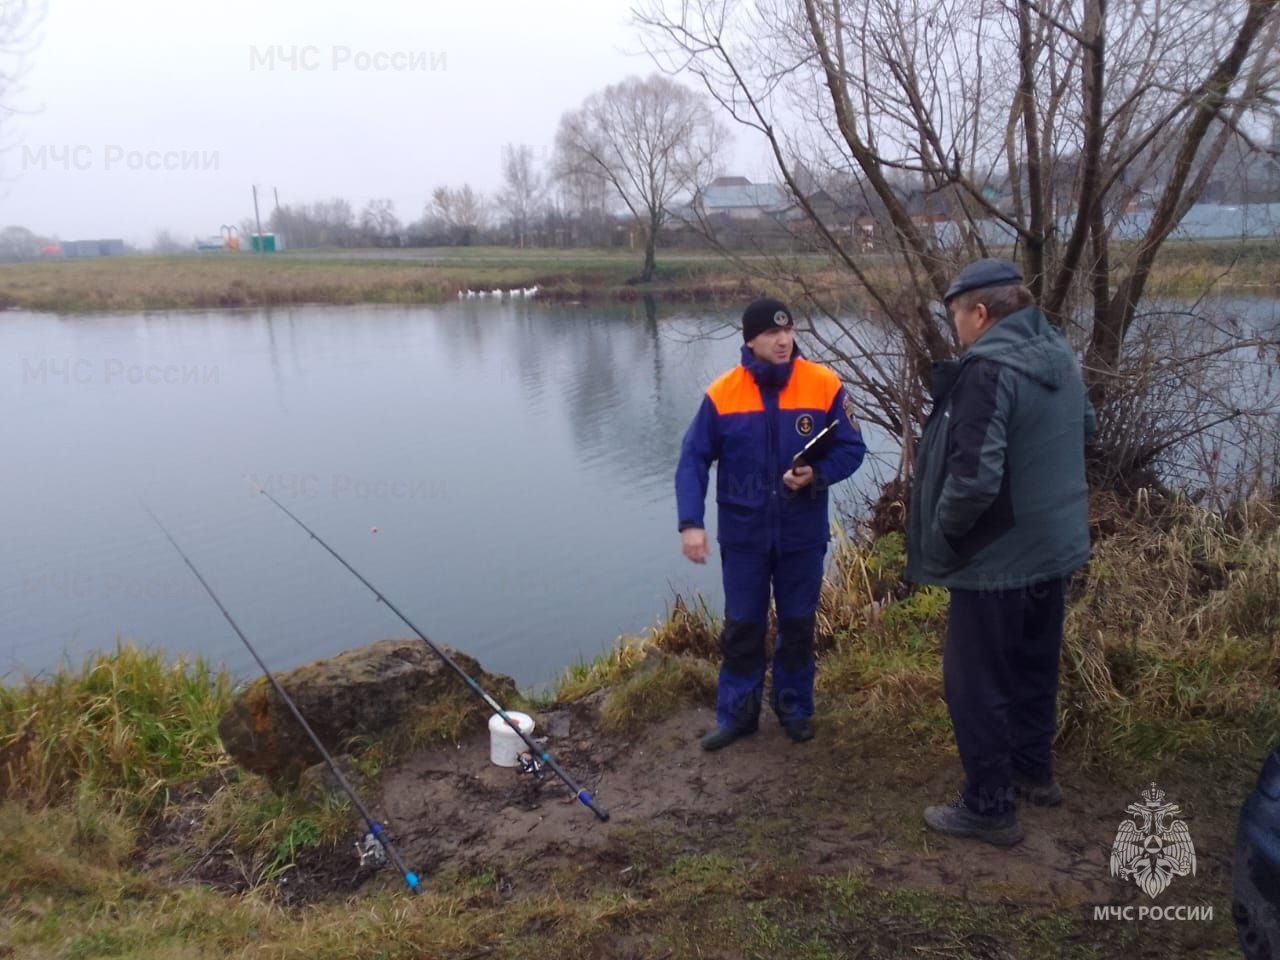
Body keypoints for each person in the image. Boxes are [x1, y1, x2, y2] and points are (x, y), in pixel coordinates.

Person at [906, 258, 1095, 846]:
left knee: (976, 681)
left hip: (995, 557)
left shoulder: (987, 370)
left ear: (980, 313)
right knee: (1034, 663)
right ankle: (1033, 774)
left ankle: (989, 806)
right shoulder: (1057, 353)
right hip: (1051, 548)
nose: (954, 328)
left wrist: (944, 533)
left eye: (956, 315)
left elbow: (974, 480)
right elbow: (1086, 430)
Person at [675, 297, 866, 751]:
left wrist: (817, 475)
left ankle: (794, 708)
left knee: (798, 625)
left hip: (803, 533)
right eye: (771, 334)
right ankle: (738, 716)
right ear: (750, 341)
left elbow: (852, 449)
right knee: (743, 626)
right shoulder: (723, 393)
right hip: (745, 536)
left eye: (788, 331)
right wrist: (691, 523)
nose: (783, 340)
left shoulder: (823, 384)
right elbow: (692, 460)